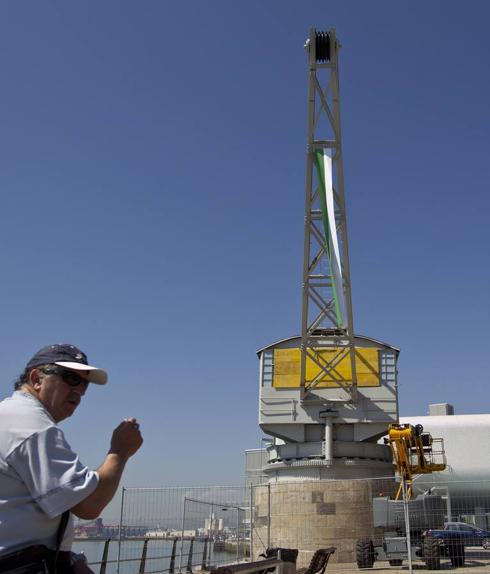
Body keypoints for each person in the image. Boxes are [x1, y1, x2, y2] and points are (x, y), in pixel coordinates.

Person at [0, 344, 143, 573]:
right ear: (36, 379)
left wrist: (70, 560)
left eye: (85, 383)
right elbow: (88, 504)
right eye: (70, 378)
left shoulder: (10, 417)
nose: (80, 390)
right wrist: (120, 451)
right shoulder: (31, 426)